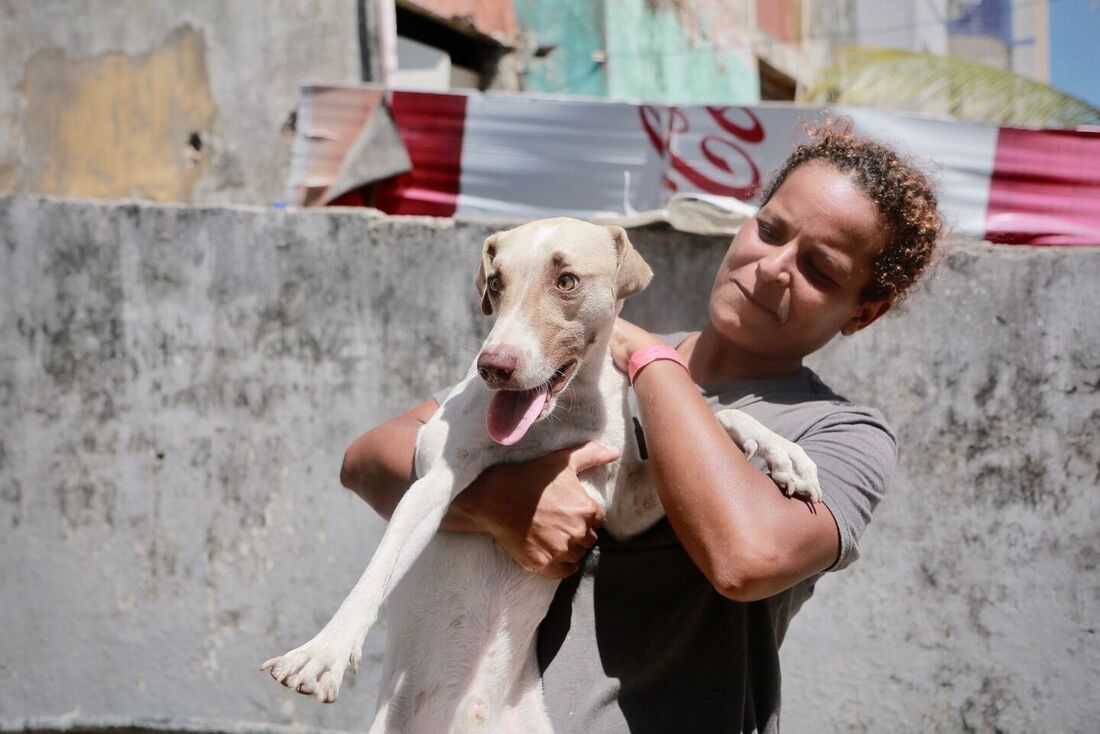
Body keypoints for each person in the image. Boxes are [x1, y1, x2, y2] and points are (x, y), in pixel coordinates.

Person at [339, 123, 943, 733]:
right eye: (769, 230)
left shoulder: (840, 434)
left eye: (819, 268)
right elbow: (368, 460)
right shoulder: (580, 365)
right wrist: (497, 505)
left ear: (864, 312)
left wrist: (651, 361)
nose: (773, 268)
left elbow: (745, 559)